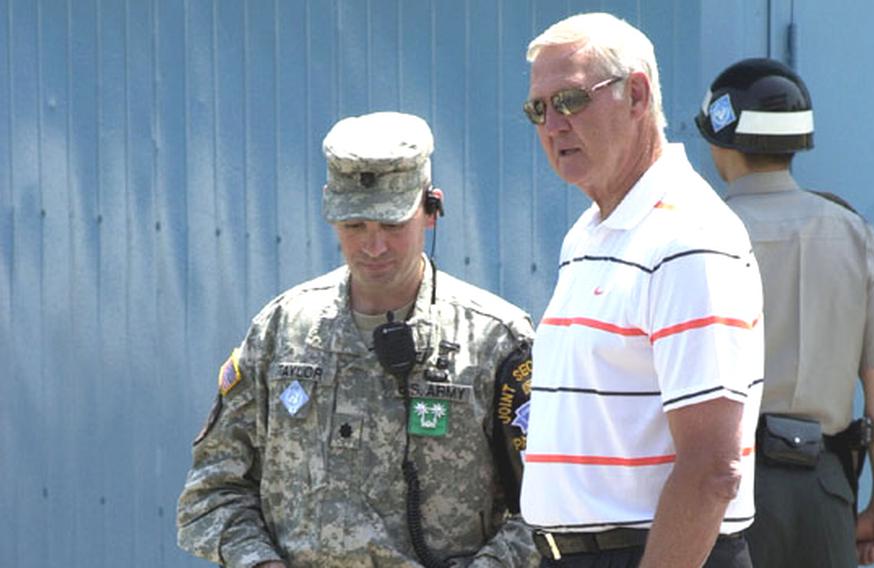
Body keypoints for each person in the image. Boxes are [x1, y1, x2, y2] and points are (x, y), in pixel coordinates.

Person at [176, 111, 538, 567]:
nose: (373, 247)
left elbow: (550, 513)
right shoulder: (281, 331)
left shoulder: (494, 341)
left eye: (391, 226)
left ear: (430, 210)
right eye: (355, 226)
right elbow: (212, 493)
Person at [518, 12, 765, 568]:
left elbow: (711, 468)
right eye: (539, 108)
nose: (552, 124)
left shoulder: (686, 237)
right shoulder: (589, 232)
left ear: (636, 94)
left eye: (571, 101)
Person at [695, 57, 874, 567]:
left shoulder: (698, 236)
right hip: (825, 489)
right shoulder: (854, 234)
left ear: (721, 138)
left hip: (725, 490)